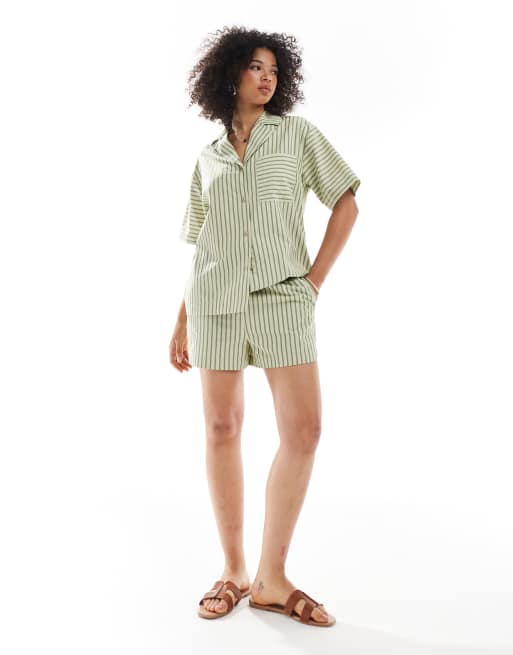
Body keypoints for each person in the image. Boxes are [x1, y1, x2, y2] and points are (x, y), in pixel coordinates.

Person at [169, 26, 361, 628]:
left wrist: (314, 281)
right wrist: (181, 319)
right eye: (256, 67)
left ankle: (272, 579)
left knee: (304, 430)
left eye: (274, 70)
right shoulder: (208, 158)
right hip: (214, 304)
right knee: (221, 427)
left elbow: (347, 201)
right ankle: (234, 571)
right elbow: (203, 244)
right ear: (229, 74)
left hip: (283, 300)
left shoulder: (297, 135)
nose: (268, 77)